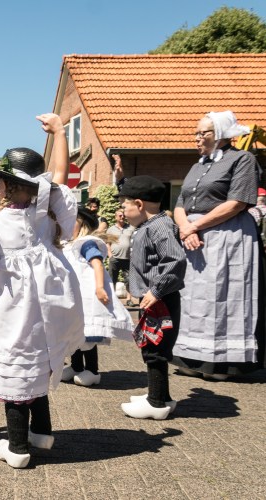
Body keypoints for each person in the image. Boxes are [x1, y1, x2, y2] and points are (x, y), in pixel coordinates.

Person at [0, 113, 84, 469]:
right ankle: (42, 433)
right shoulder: (45, 214)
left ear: (7, 186)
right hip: (46, 308)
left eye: (0, 181)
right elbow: (60, 177)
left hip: (13, 309)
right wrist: (60, 133)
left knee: (15, 374)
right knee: (37, 368)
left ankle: (17, 448)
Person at [172, 111, 265, 380]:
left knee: (223, 296)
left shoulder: (242, 159)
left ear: (221, 134)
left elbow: (237, 202)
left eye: (203, 133)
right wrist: (185, 228)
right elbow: (180, 204)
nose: (197, 138)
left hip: (227, 236)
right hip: (194, 239)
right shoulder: (197, 165)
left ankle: (223, 363)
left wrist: (195, 226)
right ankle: (192, 357)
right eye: (196, 132)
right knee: (193, 299)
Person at [117, 176, 186, 420]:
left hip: (161, 300)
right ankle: (162, 396)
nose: (121, 211)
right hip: (155, 300)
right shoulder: (150, 226)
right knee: (152, 345)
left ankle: (156, 403)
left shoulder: (159, 226)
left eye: (124, 205)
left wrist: (156, 291)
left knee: (156, 349)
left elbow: (175, 260)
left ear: (139, 204)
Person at [61, 206, 134, 387]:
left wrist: (100, 287)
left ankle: (92, 370)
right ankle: (76, 366)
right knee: (75, 333)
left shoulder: (87, 243)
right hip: (74, 297)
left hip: (87, 296)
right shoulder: (69, 244)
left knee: (88, 335)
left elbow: (97, 264)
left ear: (82, 224)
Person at [106, 208, 134, 286]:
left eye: (123, 215)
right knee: (112, 280)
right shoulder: (111, 230)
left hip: (128, 259)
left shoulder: (131, 228)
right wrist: (110, 256)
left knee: (129, 281)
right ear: (115, 217)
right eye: (120, 215)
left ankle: (129, 294)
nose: (122, 217)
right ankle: (112, 294)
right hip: (115, 258)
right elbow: (107, 243)